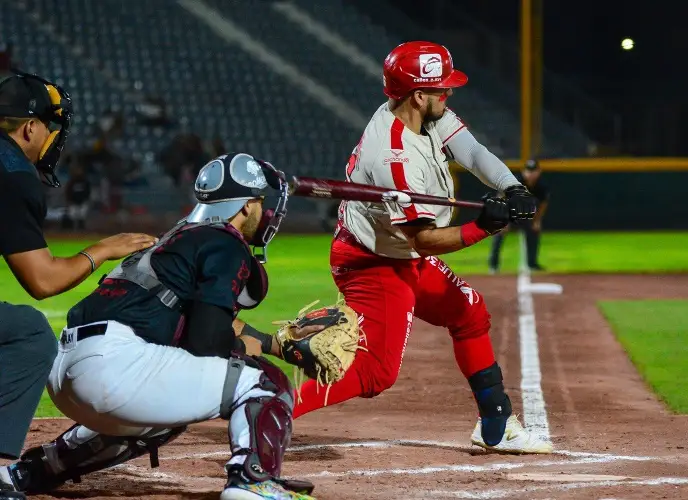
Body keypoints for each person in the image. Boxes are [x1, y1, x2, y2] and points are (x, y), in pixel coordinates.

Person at [0, 153, 335, 500]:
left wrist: (274, 344)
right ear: (246, 206)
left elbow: (198, 316)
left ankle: (33, 471)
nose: (265, 213)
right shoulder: (227, 242)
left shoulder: (179, 237)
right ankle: (253, 482)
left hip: (68, 373)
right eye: (260, 203)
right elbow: (207, 341)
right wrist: (245, 350)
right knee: (264, 382)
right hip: (115, 371)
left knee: (165, 408)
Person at [291, 41, 552, 454]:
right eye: (441, 89)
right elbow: (425, 239)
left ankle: (496, 424)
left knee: (469, 311)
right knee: (375, 374)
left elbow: (472, 151)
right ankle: (271, 408)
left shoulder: (427, 116)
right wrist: (485, 227)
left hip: (401, 254)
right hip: (371, 262)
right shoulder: (395, 159)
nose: (448, 96)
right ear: (418, 94)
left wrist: (512, 186)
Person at [0, 70, 158, 500]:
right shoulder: (11, 171)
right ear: (31, 127)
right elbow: (42, 280)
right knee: (30, 333)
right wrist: (102, 250)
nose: (53, 139)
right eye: (50, 128)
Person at [488, 158, 550, 272]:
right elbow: (501, 199)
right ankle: (493, 265)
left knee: (534, 230)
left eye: (533, 171)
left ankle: (532, 264)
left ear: (539, 171)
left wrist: (537, 221)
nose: (530, 174)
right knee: (498, 232)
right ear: (523, 171)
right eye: (528, 171)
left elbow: (542, 204)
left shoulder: (541, 186)